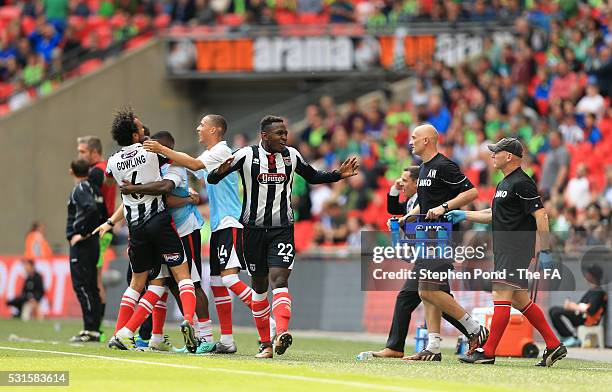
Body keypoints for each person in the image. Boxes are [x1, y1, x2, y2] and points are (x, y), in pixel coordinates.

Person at [147, 115, 359, 358]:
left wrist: (337, 175)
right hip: (252, 231)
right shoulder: (245, 155)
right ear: (264, 136)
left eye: (285, 133)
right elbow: (213, 177)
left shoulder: (291, 155)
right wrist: (222, 169)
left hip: (280, 228)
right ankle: (262, 343)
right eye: (279, 133)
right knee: (257, 287)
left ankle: (280, 332)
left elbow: (311, 176)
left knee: (278, 280)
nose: (284, 137)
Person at [141, 115, 270, 354]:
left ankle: (268, 322)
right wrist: (188, 190)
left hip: (231, 222)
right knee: (217, 283)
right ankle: (226, 341)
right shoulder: (212, 154)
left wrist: (162, 149)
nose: (198, 128)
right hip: (219, 225)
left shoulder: (221, 151)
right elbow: (196, 171)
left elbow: (193, 165)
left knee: (230, 279)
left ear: (214, 129)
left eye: (201, 125)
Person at [450, 137, 567, 366]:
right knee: (520, 300)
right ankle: (554, 344)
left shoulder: (522, 182)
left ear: (509, 156)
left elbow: (541, 215)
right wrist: (464, 214)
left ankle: (488, 351)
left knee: (500, 296)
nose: (492, 155)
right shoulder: (505, 183)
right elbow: (494, 214)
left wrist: (545, 251)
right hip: (506, 250)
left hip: (515, 249)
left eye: (496, 152)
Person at [93, 108, 198, 352]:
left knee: (141, 283)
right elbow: (184, 163)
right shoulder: (151, 151)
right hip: (159, 222)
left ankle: (122, 333)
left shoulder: (113, 161)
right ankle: (189, 321)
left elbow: (109, 180)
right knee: (183, 275)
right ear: (133, 134)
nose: (143, 130)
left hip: (136, 228)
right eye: (140, 128)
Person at [118, 130, 216, 354]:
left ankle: (204, 336)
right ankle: (155, 336)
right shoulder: (152, 168)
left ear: (164, 148)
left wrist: (186, 199)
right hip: (163, 233)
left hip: (184, 230)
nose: (148, 149)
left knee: (192, 282)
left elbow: (166, 196)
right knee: (163, 284)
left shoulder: (175, 167)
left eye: (154, 146)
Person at [402, 124, 488, 361]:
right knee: (428, 292)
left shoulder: (444, 165)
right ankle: (434, 347)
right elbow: (428, 201)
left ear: (428, 141)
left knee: (428, 290)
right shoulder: (424, 168)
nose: (411, 142)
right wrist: (410, 216)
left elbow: (471, 193)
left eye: (414, 137)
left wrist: (444, 207)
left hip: (442, 236)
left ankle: (474, 329)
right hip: (426, 235)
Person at [369, 167, 472, 358]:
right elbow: (393, 209)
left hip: (436, 254)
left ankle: (476, 334)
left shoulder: (428, 200)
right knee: (434, 299)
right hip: (426, 256)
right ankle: (473, 335)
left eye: (405, 180)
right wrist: (394, 189)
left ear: (418, 183)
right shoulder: (412, 201)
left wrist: (405, 224)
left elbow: (436, 221)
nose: (401, 184)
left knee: (430, 299)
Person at [77, 136, 116, 333]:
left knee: (94, 279)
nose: (79, 155)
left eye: (83, 151)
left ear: (94, 152)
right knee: (94, 278)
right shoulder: (104, 170)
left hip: (99, 230)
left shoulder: (97, 172)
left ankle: (96, 329)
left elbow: (94, 205)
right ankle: (95, 328)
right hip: (103, 228)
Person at [66, 159, 105, 342]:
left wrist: (81, 234)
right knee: (91, 286)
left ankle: (90, 329)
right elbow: (102, 214)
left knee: (82, 286)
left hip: (83, 244)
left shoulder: (80, 189)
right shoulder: (95, 189)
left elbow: (90, 210)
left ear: (71, 171)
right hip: (93, 242)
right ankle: (94, 329)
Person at [549, 264, 607, 347]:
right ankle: (568, 337)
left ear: (592, 276)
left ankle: (570, 337)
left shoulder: (599, 293)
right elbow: (581, 304)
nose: (586, 276)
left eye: (588, 274)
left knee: (555, 312)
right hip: (580, 315)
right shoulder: (592, 291)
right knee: (553, 310)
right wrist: (571, 305)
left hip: (586, 320)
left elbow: (591, 309)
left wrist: (572, 306)